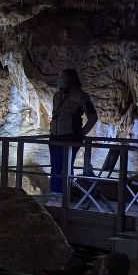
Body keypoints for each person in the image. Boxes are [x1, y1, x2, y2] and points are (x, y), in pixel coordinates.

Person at [48, 68, 98, 204]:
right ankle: (55, 194)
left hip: (69, 137)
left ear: (71, 79)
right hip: (55, 136)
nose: (60, 79)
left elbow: (93, 116)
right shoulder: (57, 96)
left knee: (65, 166)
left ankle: (64, 195)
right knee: (55, 166)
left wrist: (81, 133)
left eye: (62, 77)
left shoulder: (80, 96)